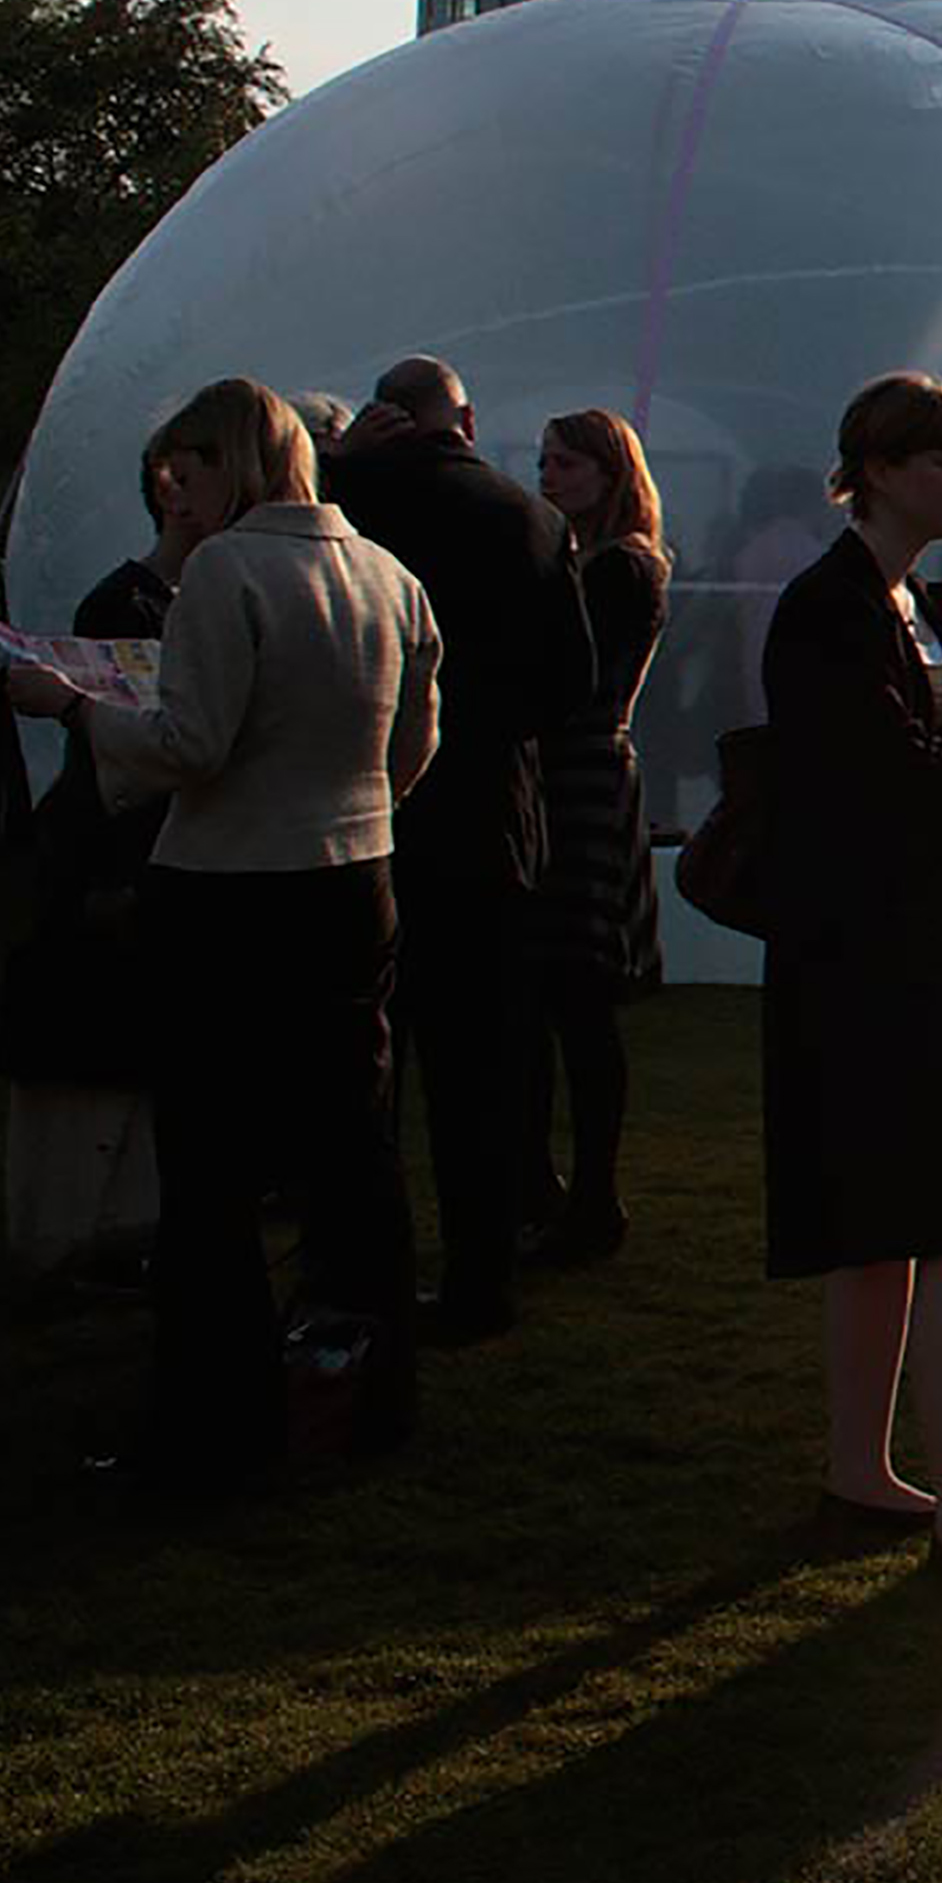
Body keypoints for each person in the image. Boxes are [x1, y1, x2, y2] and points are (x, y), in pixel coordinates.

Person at [4, 379, 439, 1486]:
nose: (174, 496)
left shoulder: (228, 574)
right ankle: (370, 1388)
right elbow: (416, 743)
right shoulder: (388, 575)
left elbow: (192, 747)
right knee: (354, 1148)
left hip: (232, 892)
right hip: (357, 878)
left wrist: (72, 706)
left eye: (183, 474)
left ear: (227, 463)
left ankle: (214, 1416)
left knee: (210, 1166)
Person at [758, 372, 942, 1586]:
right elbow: (896, 773)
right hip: (870, 954)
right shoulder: (828, 609)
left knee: (898, 1223)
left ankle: (864, 1473)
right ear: (875, 468)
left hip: (930, 937)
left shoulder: (925, 608)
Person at [326, 354, 594, 1344]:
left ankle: (361, 1277)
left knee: (360, 1065)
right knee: (481, 1069)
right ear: (466, 420)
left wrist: (340, 464)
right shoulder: (532, 518)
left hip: (365, 817)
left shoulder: (346, 501)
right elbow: (572, 690)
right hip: (489, 819)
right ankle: (482, 1281)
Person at [0, 413, 211, 1284]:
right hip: (122, 850)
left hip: (176, 848)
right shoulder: (125, 603)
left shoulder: (219, 599)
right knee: (99, 1040)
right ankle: (86, 1226)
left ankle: (133, 1220)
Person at [521, 408, 669, 1267]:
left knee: (578, 992)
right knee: (554, 991)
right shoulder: (585, 561)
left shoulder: (622, 570)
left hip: (583, 775)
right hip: (565, 772)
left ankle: (593, 1191)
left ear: (610, 472)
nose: (549, 475)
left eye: (568, 463)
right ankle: (554, 1188)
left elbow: (571, 676)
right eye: (544, 461)